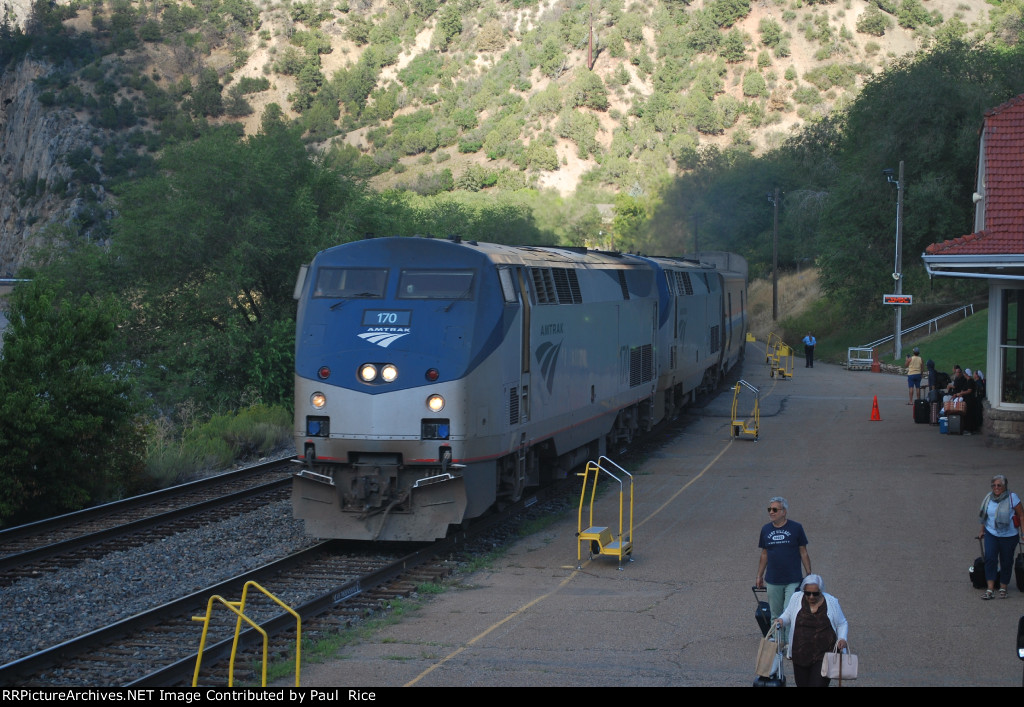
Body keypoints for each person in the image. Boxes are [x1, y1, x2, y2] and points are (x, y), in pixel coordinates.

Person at [776, 574, 849, 687]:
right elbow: (788, 615)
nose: (811, 597)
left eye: (815, 593)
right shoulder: (796, 598)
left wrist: (842, 638)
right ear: (803, 591)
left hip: (823, 655)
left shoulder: (831, 602)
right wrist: (781, 620)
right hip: (800, 654)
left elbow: (842, 623)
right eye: (807, 593)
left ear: (821, 591)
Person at [756, 497, 811, 641]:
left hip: (792, 579)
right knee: (776, 614)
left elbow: (803, 551)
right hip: (773, 580)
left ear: (784, 512)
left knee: (789, 612)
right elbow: (764, 553)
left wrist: (809, 574)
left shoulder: (796, 528)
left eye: (775, 509)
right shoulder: (766, 529)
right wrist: (759, 575)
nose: (771, 512)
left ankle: (789, 645)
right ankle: (778, 643)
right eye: (770, 509)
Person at [976, 475, 1024, 599]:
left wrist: (1023, 533)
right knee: (990, 559)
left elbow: (1022, 515)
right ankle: (990, 589)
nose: (996, 488)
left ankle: (1003, 586)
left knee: (1006, 561)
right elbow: (986, 516)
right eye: (994, 485)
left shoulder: (1012, 498)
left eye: (999, 485)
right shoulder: (989, 498)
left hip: (1009, 536)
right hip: (992, 533)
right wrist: (982, 530)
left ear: (1004, 486)